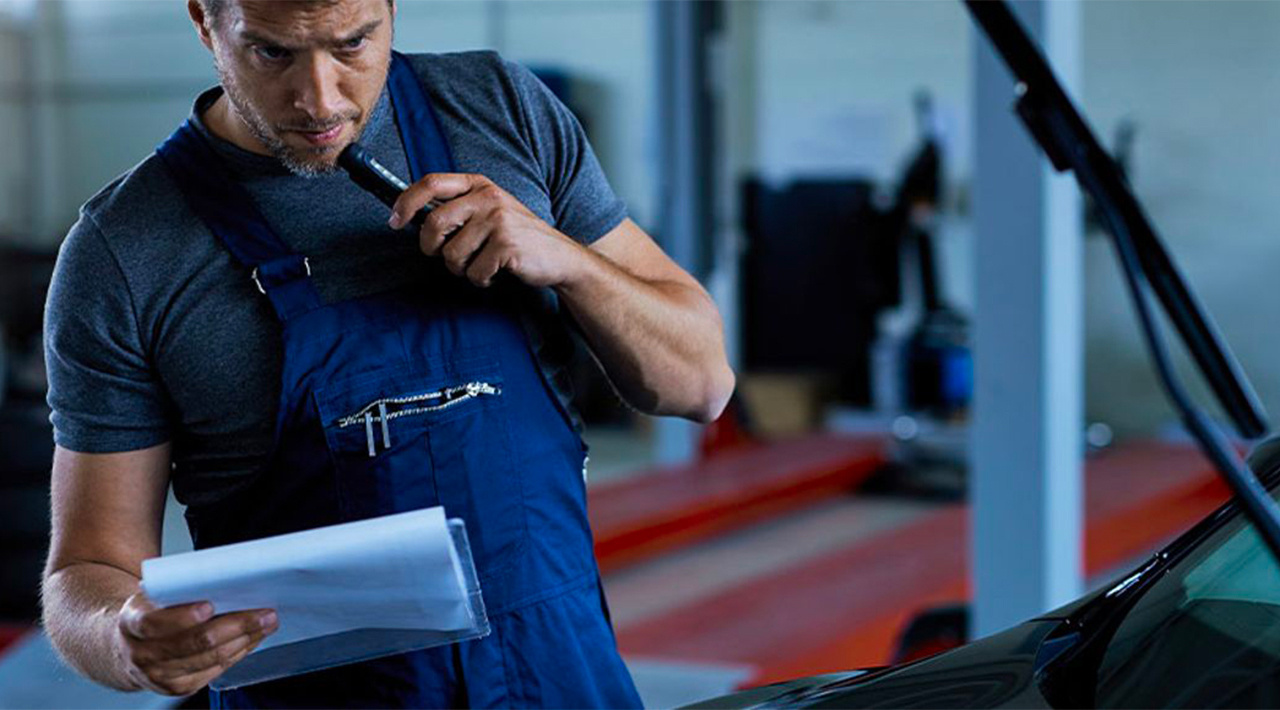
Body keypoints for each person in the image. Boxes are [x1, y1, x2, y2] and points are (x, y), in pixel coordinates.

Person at [39, 0, 734, 706]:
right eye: (273, 52)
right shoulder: (123, 252)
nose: (320, 99)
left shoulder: (501, 110)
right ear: (203, 19)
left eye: (352, 44)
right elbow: (86, 572)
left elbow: (699, 384)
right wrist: (123, 636)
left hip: (562, 682)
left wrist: (571, 263)